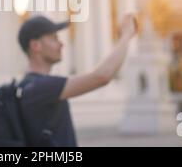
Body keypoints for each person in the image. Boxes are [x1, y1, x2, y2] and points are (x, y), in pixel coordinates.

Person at [16, 14, 138, 146]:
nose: (61, 43)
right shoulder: (40, 87)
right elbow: (102, 76)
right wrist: (126, 35)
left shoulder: (30, 86)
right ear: (35, 46)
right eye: (54, 38)